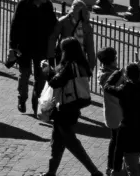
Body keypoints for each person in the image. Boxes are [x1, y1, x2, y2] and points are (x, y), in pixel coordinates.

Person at [41, 35, 103, 176]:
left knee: (71, 143)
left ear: (66, 51)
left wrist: (47, 71)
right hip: (73, 106)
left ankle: (95, 172)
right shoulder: (82, 64)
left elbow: (55, 82)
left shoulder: (69, 66)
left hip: (65, 108)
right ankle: (51, 172)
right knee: (57, 142)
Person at [11, 0, 59, 113]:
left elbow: (53, 22)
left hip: (41, 48)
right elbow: (14, 25)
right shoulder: (23, 4)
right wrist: (13, 46)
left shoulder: (47, 6)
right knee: (24, 74)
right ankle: (22, 99)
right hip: (24, 47)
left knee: (41, 77)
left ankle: (36, 102)